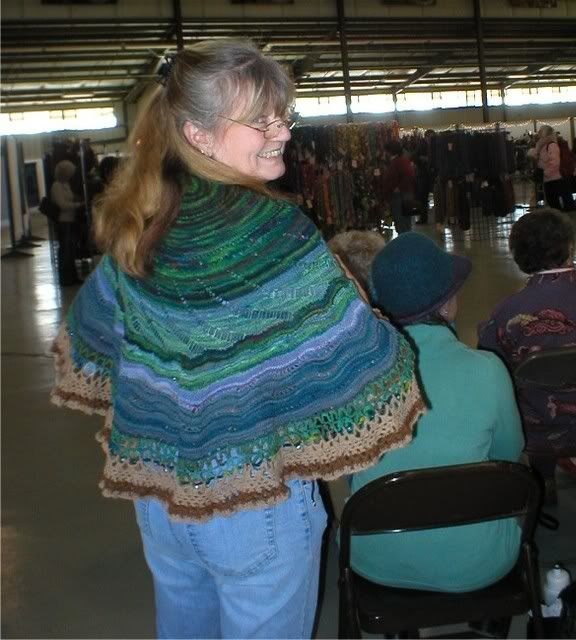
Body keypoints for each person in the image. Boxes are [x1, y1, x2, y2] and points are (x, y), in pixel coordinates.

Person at [49, 40, 424, 640]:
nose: (282, 131)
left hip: (161, 497)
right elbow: (372, 361)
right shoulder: (274, 231)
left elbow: (97, 335)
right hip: (256, 505)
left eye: (284, 114)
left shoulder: (143, 221)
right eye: (261, 120)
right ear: (198, 135)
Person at [349, 232, 525, 593]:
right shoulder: (488, 371)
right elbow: (509, 455)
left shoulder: (356, 379)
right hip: (477, 562)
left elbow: (350, 473)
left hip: (374, 555)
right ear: (446, 307)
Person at [478, 209, 576, 502]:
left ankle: (544, 478)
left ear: (520, 258)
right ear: (569, 247)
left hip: (537, 428)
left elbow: (488, 364)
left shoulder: (509, 312)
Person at [50, 159, 83, 286]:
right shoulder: (56, 186)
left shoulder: (66, 184)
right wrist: (77, 205)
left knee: (71, 251)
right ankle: (65, 278)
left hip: (70, 220)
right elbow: (62, 205)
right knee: (65, 251)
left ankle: (72, 277)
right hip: (63, 222)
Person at [527, 125, 575, 212]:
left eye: (540, 132)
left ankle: (558, 219)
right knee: (552, 202)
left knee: (553, 202)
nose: (538, 134)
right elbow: (534, 155)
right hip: (549, 178)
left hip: (554, 178)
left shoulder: (551, 145)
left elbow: (555, 162)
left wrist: (546, 172)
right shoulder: (542, 145)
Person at [383, 140, 416, 234]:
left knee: (402, 223)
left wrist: (399, 188)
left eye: (386, 151)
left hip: (401, 197)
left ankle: (404, 244)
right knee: (401, 223)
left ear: (390, 151)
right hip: (400, 196)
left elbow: (409, 175)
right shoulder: (398, 160)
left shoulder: (400, 161)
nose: (385, 153)